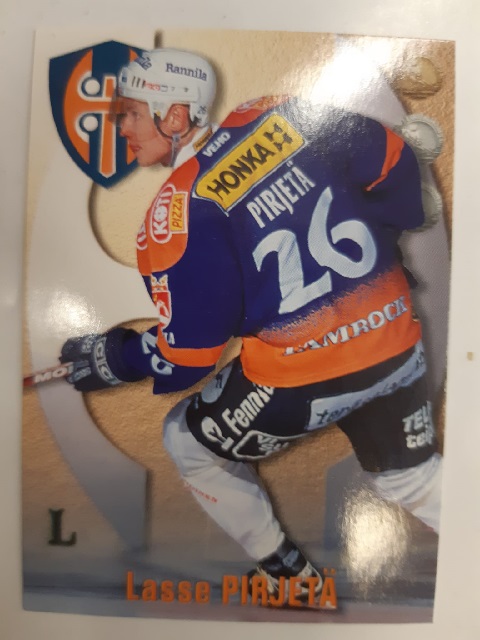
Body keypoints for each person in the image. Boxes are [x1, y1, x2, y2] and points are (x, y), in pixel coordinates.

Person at [60, 48, 442, 605]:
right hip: (395, 343)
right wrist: (392, 227)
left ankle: (292, 580)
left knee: (186, 440)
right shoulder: (275, 110)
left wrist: (116, 357)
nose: (121, 127)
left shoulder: (173, 214)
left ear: (174, 115)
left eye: (131, 113)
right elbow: (391, 156)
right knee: (412, 478)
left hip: (300, 383)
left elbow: (188, 358)